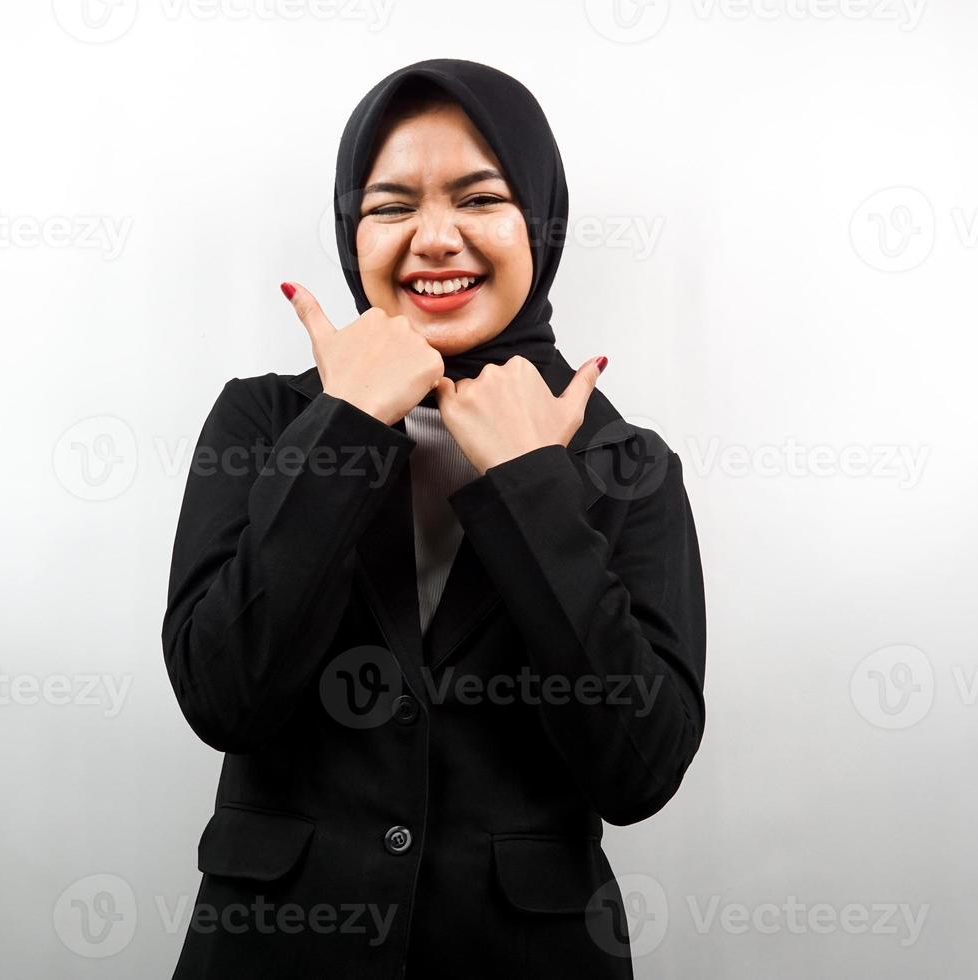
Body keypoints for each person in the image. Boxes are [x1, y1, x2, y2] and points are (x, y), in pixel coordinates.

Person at [162, 57, 706, 978]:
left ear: (538, 221)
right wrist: (343, 430)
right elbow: (225, 698)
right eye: (391, 205)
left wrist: (532, 482)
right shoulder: (262, 423)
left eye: (479, 198)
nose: (434, 239)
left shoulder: (626, 465)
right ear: (351, 228)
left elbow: (639, 771)